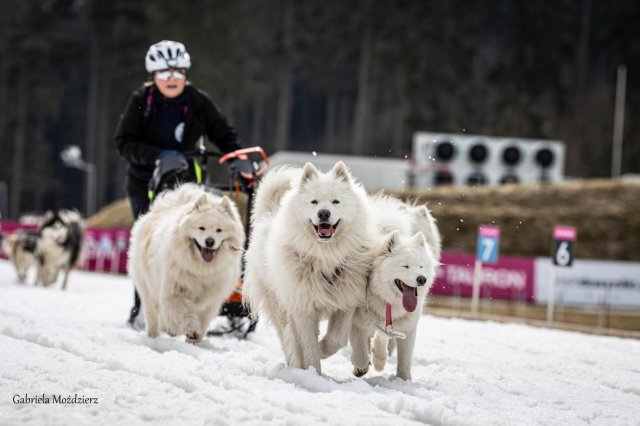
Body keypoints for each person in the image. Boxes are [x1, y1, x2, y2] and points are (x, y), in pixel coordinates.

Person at [114, 40, 248, 325]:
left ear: (186, 74)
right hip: (145, 183)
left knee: (201, 244)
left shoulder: (197, 101)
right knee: (148, 249)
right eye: (164, 73)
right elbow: (124, 142)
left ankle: (208, 304)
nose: (171, 78)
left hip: (189, 189)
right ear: (154, 76)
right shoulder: (142, 101)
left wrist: (236, 156)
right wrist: (158, 157)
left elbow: (223, 132)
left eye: (177, 72)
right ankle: (144, 307)